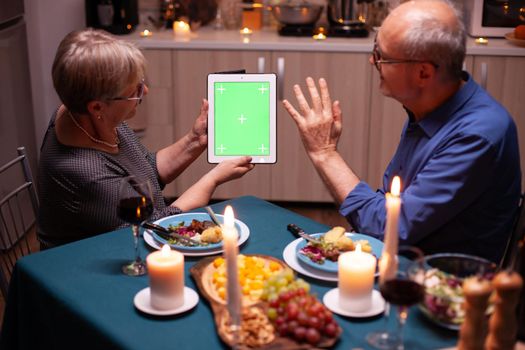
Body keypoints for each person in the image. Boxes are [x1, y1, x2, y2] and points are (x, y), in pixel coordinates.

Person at [283, 0, 521, 263]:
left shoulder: (477, 136)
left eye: (382, 56)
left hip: (436, 284)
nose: (372, 60)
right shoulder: (428, 105)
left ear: (422, 73)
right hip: (398, 256)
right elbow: (388, 206)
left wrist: (325, 153)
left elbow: (387, 229)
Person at [37, 29, 254, 248]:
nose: (145, 91)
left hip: (136, 235)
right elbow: (154, 228)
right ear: (97, 107)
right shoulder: (86, 173)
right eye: (135, 90)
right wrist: (214, 178)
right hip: (98, 259)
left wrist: (195, 140)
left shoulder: (86, 113)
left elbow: (146, 169)